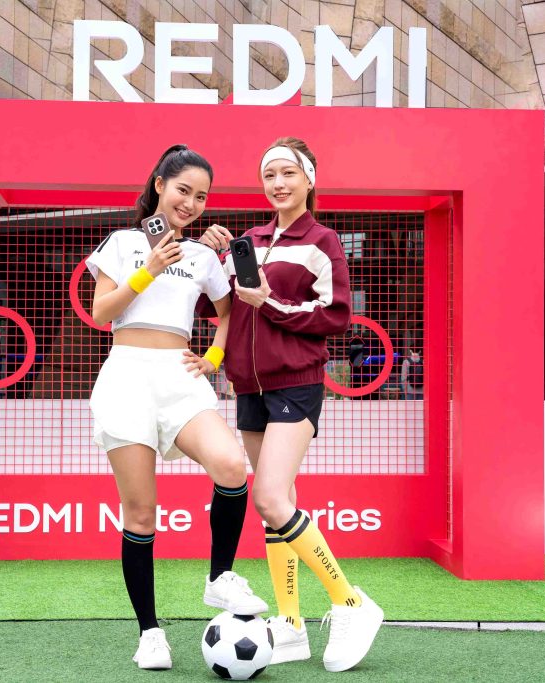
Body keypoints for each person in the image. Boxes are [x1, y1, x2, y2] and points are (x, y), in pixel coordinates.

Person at [200, 137, 384, 672]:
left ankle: (351, 603)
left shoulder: (322, 241)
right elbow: (219, 305)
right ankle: (291, 624)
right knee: (278, 501)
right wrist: (209, 253)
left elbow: (336, 315)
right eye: (269, 175)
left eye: (287, 173)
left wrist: (272, 304)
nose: (278, 184)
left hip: (295, 383)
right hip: (249, 387)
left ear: (309, 180)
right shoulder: (248, 242)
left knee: (270, 499)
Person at [87, 144, 267, 671]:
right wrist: (147, 270)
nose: (190, 203)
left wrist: (213, 357)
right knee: (141, 512)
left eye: (201, 196)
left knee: (231, 464)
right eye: (183, 190)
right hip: (126, 375)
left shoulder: (203, 256)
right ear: (159, 185)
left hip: (180, 377)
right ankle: (149, 632)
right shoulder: (123, 242)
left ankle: (219, 577)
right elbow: (100, 312)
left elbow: (228, 312)